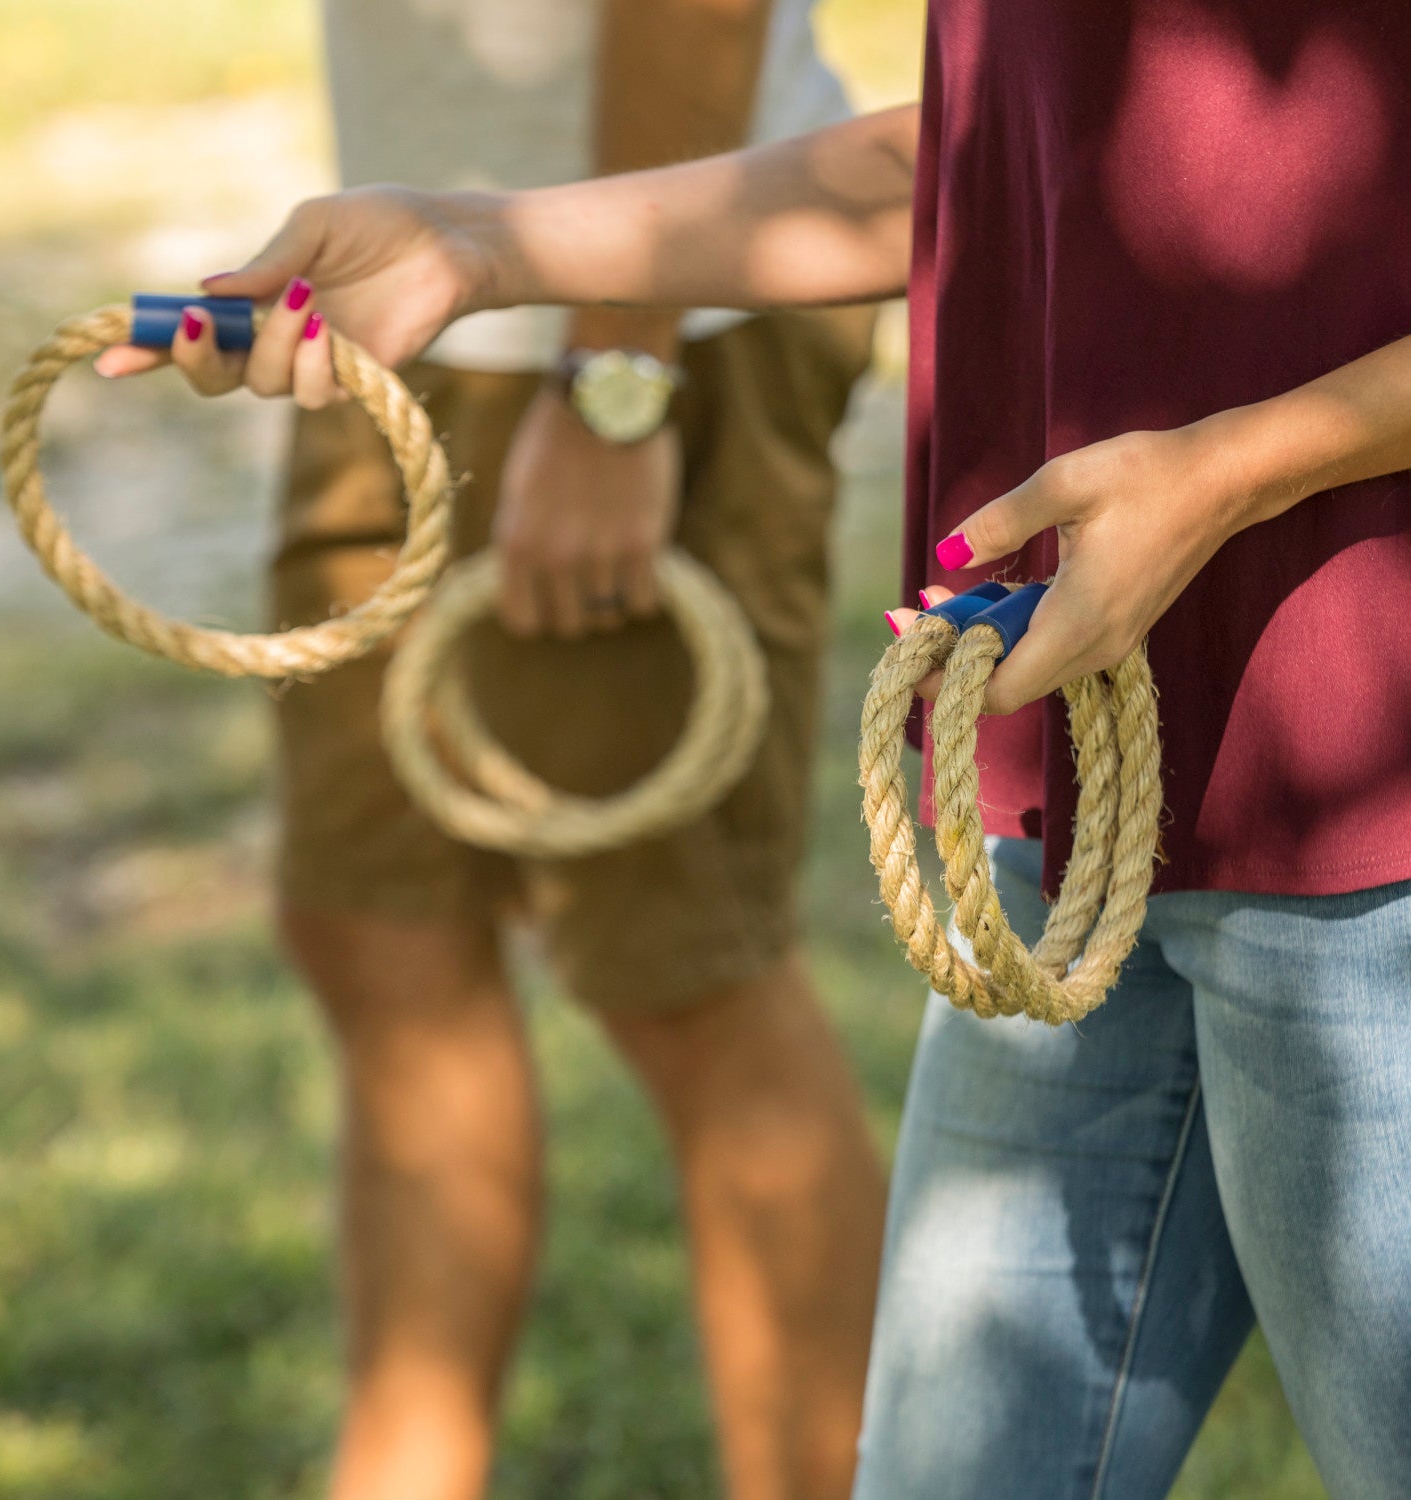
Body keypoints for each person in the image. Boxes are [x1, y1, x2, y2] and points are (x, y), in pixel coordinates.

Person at [100, 1, 1411, 1496]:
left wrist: (1234, 472)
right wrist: (475, 243)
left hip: (1364, 818)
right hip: (1075, 810)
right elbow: (986, 163)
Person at [104, 4, 886, 1499]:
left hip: (651, 319)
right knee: (377, 925)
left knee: (684, 972)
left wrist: (618, 381)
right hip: (393, 291)